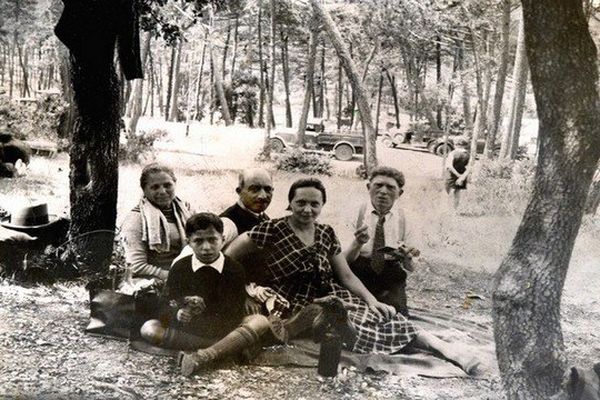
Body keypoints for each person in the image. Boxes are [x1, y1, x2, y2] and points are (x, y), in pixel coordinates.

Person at [225, 178, 480, 375]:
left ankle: (444, 349)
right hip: (290, 302)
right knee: (349, 324)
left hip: (329, 294)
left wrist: (372, 300)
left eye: (314, 203)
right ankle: (346, 329)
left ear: (322, 206)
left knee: (381, 315)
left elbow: (345, 275)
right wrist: (246, 288)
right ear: (289, 203)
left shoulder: (325, 233)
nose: (307, 209)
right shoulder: (272, 228)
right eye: (300, 202)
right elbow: (227, 256)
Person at [138, 213, 272, 376]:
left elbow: (234, 313)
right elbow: (165, 306)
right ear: (189, 242)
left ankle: (204, 355)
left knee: (260, 321)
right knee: (149, 328)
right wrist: (178, 312)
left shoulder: (234, 269)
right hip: (190, 330)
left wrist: (203, 309)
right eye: (198, 241)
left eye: (212, 240)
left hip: (223, 328)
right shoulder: (180, 268)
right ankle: (230, 348)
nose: (206, 247)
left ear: (222, 239)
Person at [343, 166, 418, 317]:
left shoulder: (407, 218)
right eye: (378, 185)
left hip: (389, 276)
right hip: (357, 273)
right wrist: (357, 243)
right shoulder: (353, 212)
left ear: (399, 193)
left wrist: (407, 257)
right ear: (368, 187)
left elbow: (411, 267)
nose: (383, 191)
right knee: (351, 315)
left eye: (390, 187)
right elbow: (343, 261)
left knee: (395, 317)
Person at [121, 163, 193, 282]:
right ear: (144, 190)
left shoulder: (186, 209)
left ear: (175, 183)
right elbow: (136, 266)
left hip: (186, 271)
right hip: (154, 279)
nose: (163, 191)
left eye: (167, 185)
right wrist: (174, 277)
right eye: (155, 187)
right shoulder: (136, 219)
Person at [220, 168, 274, 237]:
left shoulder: (264, 218)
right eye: (254, 189)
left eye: (267, 189)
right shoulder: (227, 224)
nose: (263, 196)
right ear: (239, 191)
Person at [445, 137, 471, 209]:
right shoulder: (468, 155)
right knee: (457, 192)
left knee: (447, 191)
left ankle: (446, 208)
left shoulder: (452, 153)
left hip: (451, 175)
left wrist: (457, 175)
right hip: (462, 174)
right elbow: (469, 168)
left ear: (455, 144)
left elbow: (450, 166)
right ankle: (454, 209)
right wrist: (462, 177)